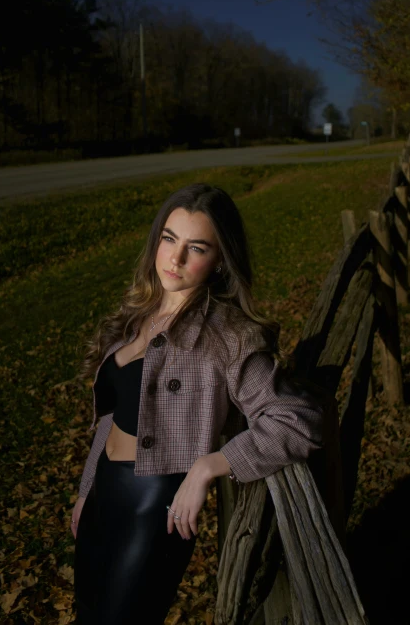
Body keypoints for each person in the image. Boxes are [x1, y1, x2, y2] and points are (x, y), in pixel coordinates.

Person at [72, 183, 325, 624]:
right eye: (169, 239)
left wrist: (212, 464)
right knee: (87, 613)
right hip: (104, 492)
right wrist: (86, 488)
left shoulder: (226, 336)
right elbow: (113, 415)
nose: (175, 258)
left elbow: (299, 420)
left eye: (197, 248)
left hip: (154, 506)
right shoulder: (138, 314)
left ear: (220, 259)